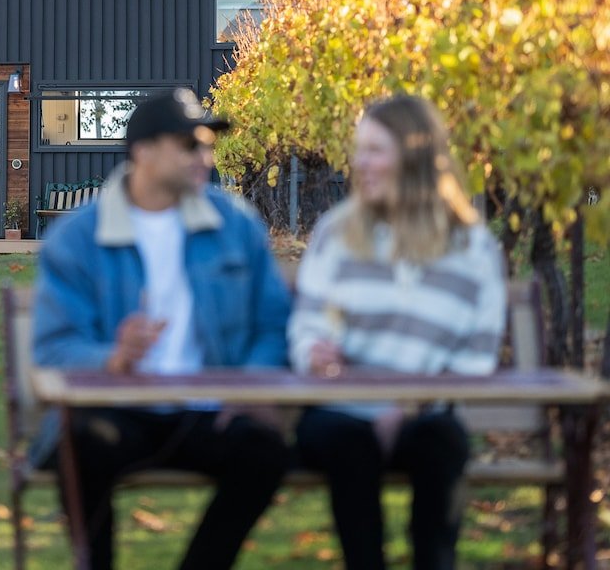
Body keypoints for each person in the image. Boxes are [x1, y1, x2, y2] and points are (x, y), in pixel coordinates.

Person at [30, 88, 293, 570]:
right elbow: (53, 348)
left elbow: (272, 322)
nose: (205, 157)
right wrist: (112, 358)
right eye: (190, 144)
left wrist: (249, 383)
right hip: (119, 409)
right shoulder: (78, 237)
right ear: (142, 151)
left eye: (209, 146)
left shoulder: (234, 224)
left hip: (208, 408)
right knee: (84, 446)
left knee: (265, 453)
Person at [289, 95, 507, 570]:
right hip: (343, 407)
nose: (359, 163)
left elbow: (476, 354)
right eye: (359, 150)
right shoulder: (336, 232)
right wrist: (316, 353)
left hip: (424, 408)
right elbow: (308, 324)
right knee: (346, 443)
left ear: (414, 156)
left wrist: (407, 404)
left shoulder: (471, 248)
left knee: (442, 443)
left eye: (375, 150)